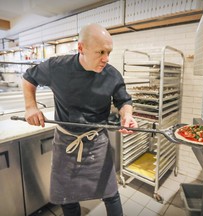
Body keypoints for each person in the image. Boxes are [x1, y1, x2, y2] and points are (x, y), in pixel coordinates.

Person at [22, 23, 138, 216]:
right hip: (66, 142)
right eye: (100, 52)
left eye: (109, 52)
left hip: (97, 142)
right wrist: (30, 107)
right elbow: (28, 78)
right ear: (81, 48)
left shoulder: (112, 75)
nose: (106, 59)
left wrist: (127, 116)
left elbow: (124, 101)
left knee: (111, 194)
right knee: (68, 198)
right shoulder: (57, 67)